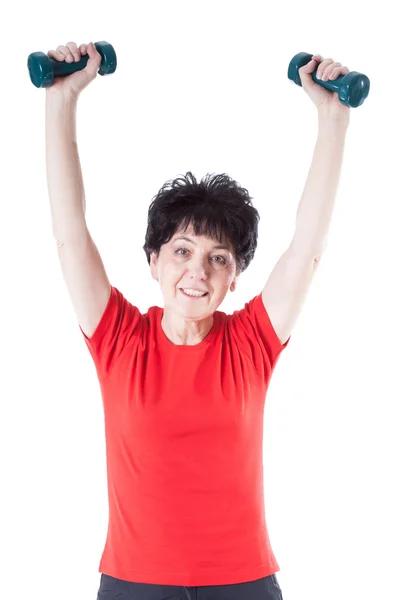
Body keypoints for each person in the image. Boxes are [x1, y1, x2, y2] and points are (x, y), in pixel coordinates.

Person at [45, 40, 351, 600]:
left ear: (234, 277)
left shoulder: (252, 342)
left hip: (244, 584)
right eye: (182, 250)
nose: (198, 271)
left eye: (219, 258)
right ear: (154, 260)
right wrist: (60, 101)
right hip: (134, 584)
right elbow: (69, 236)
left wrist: (334, 118)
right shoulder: (119, 339)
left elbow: (307, 246)